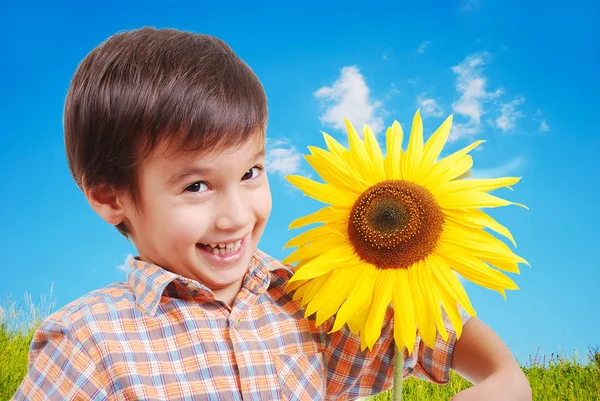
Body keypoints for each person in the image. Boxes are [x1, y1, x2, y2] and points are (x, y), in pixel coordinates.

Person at [12, 27, 531, 401]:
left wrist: (505, 377)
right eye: (196, 186)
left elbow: (424, 324)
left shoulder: (309, 304)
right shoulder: (88, 344)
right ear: (110, 198)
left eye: (250, 173)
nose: (236, 215)